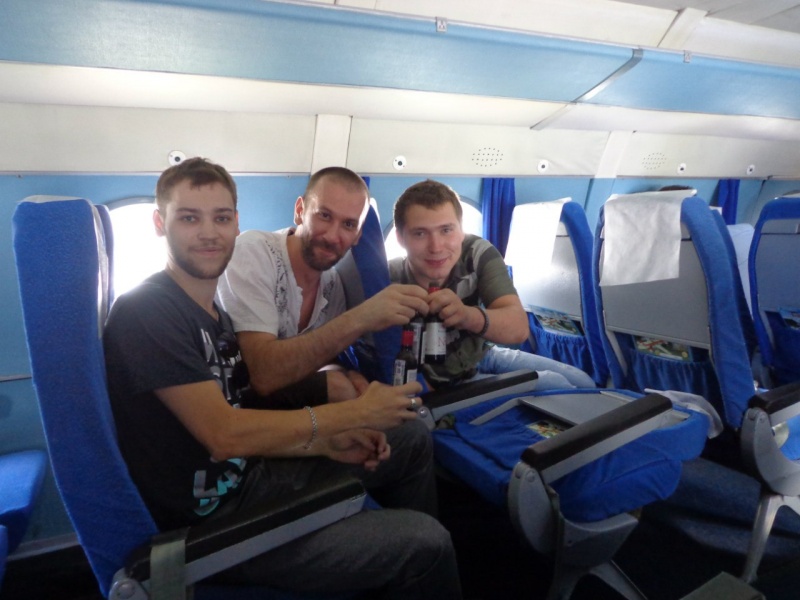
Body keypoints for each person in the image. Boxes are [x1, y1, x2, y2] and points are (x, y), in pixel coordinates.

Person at [103, 158, 462, 599]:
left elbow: (246, 410)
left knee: (408, 439)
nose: (209, 233)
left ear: (237, 224)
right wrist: (351, 414)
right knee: (426, 542)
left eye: (221, 218)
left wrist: (327, 443)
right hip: (215, 526)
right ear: (160, 224)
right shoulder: (146, 311)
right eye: (189, 218)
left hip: (249, 479)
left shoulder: (213, 316)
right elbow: (224, 435)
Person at [217, 166, 430, 403]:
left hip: (278, 396)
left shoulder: (332, 285)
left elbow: (319, 356)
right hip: (229, 398)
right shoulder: (253, 253)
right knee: (339, 389)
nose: (331, 236)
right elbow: (264, 375)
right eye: (324, 216)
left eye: (348, 225)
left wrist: (348, 374)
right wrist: (362, 317)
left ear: (358, 236)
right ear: (300, 211)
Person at [389, 179, 597, 390]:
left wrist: (466, 316)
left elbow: (518, 329)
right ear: (400, 239)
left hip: (481, 354)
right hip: (445, 384)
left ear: (460, 231)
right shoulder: (388, 280)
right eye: (420, 233)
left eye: (446, 230)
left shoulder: (476, 254)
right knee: (557, 384)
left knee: (583, 381)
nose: (436, 247)